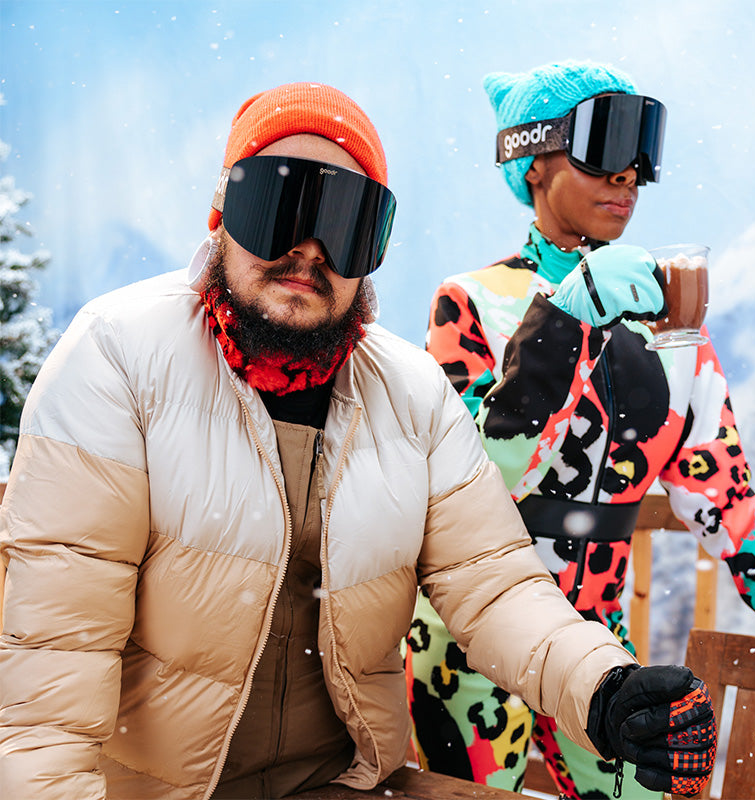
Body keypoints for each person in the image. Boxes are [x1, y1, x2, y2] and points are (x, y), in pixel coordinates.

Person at [0, 81, 716, 800]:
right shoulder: (120, 356)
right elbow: (53, 668)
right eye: (277, 206)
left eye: (345, 222)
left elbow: (492, 581)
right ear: (222, 215)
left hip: (344, 784)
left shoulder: (409, 392)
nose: (309, 249)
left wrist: (602, 688)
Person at [406, 60, 755, 799]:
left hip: (594, 644)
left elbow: (730, 508)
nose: (628, 175)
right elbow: (473, 477)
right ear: (532, 161)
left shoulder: (673, 327)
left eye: (642, 152)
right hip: (470, 634)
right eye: (603, 143)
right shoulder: (470, 302)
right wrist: (564, 320)